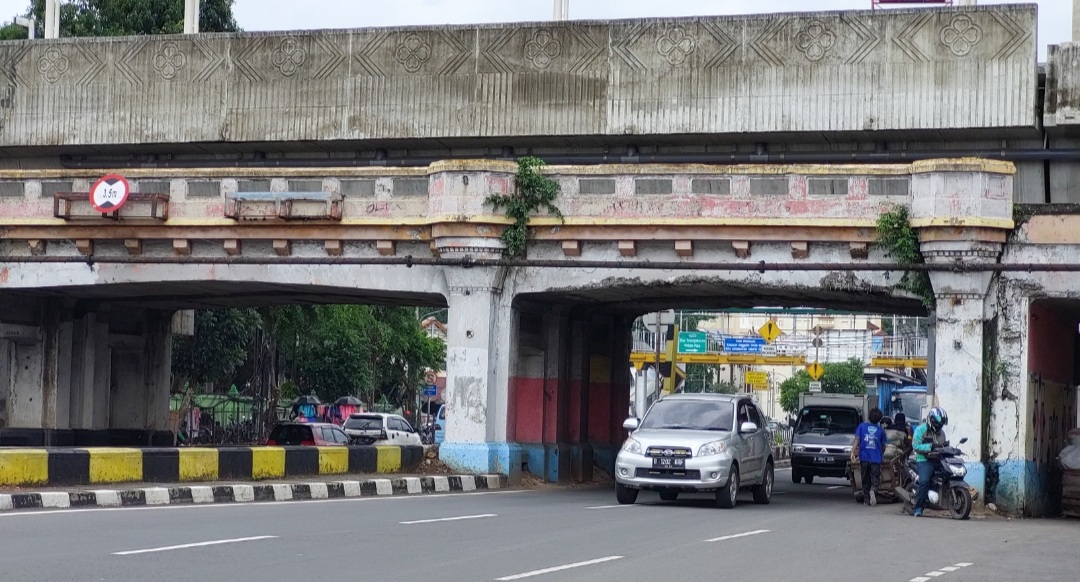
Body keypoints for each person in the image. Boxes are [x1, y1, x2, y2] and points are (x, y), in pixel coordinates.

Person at [911, 407, 948, 517]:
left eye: (941, 425)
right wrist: (930, 446)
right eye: (938, 424)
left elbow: (943, 445)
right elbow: (915, 445)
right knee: (925, 481)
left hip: (938, 460)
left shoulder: (942, 433)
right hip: (924, 460)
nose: (939, 427)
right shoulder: (920, 429)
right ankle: (918, 507)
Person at [852, 407, 888, 506]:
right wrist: (881, 454)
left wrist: (852, 452)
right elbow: (883, 446)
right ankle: (873, 490)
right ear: (879, 419)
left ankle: (866, 500)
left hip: (864, 457)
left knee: (865, 479)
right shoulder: (880, 431)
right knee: (875, 478)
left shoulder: (862, 427)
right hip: (876, 458)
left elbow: (856, 440)